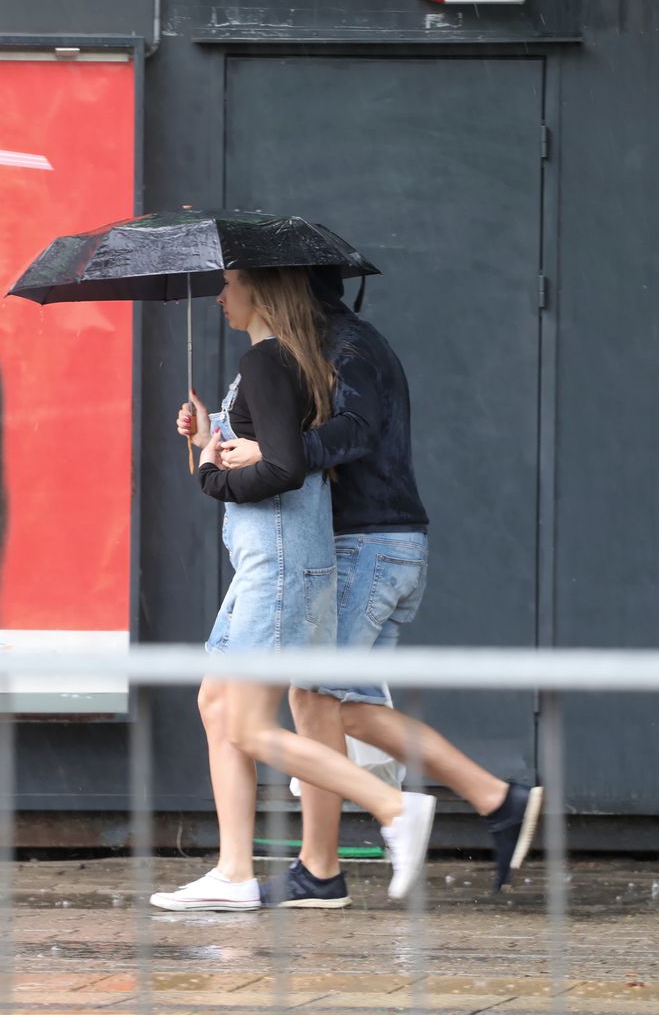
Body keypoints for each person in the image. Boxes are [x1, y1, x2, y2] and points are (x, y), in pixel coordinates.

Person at [215, 266, 543, 907]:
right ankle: (497, 800)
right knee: (349, 707)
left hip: (368, 543)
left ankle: (321, 868)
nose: (224, 295)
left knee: (312, 697)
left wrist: (272, 452)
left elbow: (357, 432)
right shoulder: (327, 344)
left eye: (236, 283)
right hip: (379, 544)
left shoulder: (347, 344)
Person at [151, 266, 437, 913]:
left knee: (255, 721)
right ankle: (232, 872)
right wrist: (207, 441)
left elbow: (280, 469)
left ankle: (393, 807)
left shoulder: (271, 362)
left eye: (229, 284)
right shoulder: (274, 362)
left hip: (279, 562)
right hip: (262, 560)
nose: (220, 296)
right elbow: (267, 453)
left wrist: (209, 472)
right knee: (216, 703)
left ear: (262, 290)